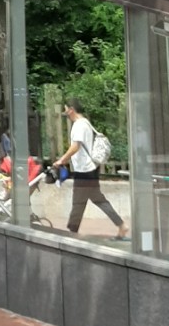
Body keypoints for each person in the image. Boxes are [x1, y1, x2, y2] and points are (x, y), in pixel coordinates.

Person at [53, 98, 128, 240]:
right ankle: (121, 225)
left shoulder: (79, 125)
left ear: (71, 109)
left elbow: (76, 146)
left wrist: (62, 160)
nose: (65, 113)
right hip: (90, 169)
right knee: (96, 200)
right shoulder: (85, 123)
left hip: (84, 170)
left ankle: (71, 232)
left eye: (66, 110)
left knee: (78, 202)